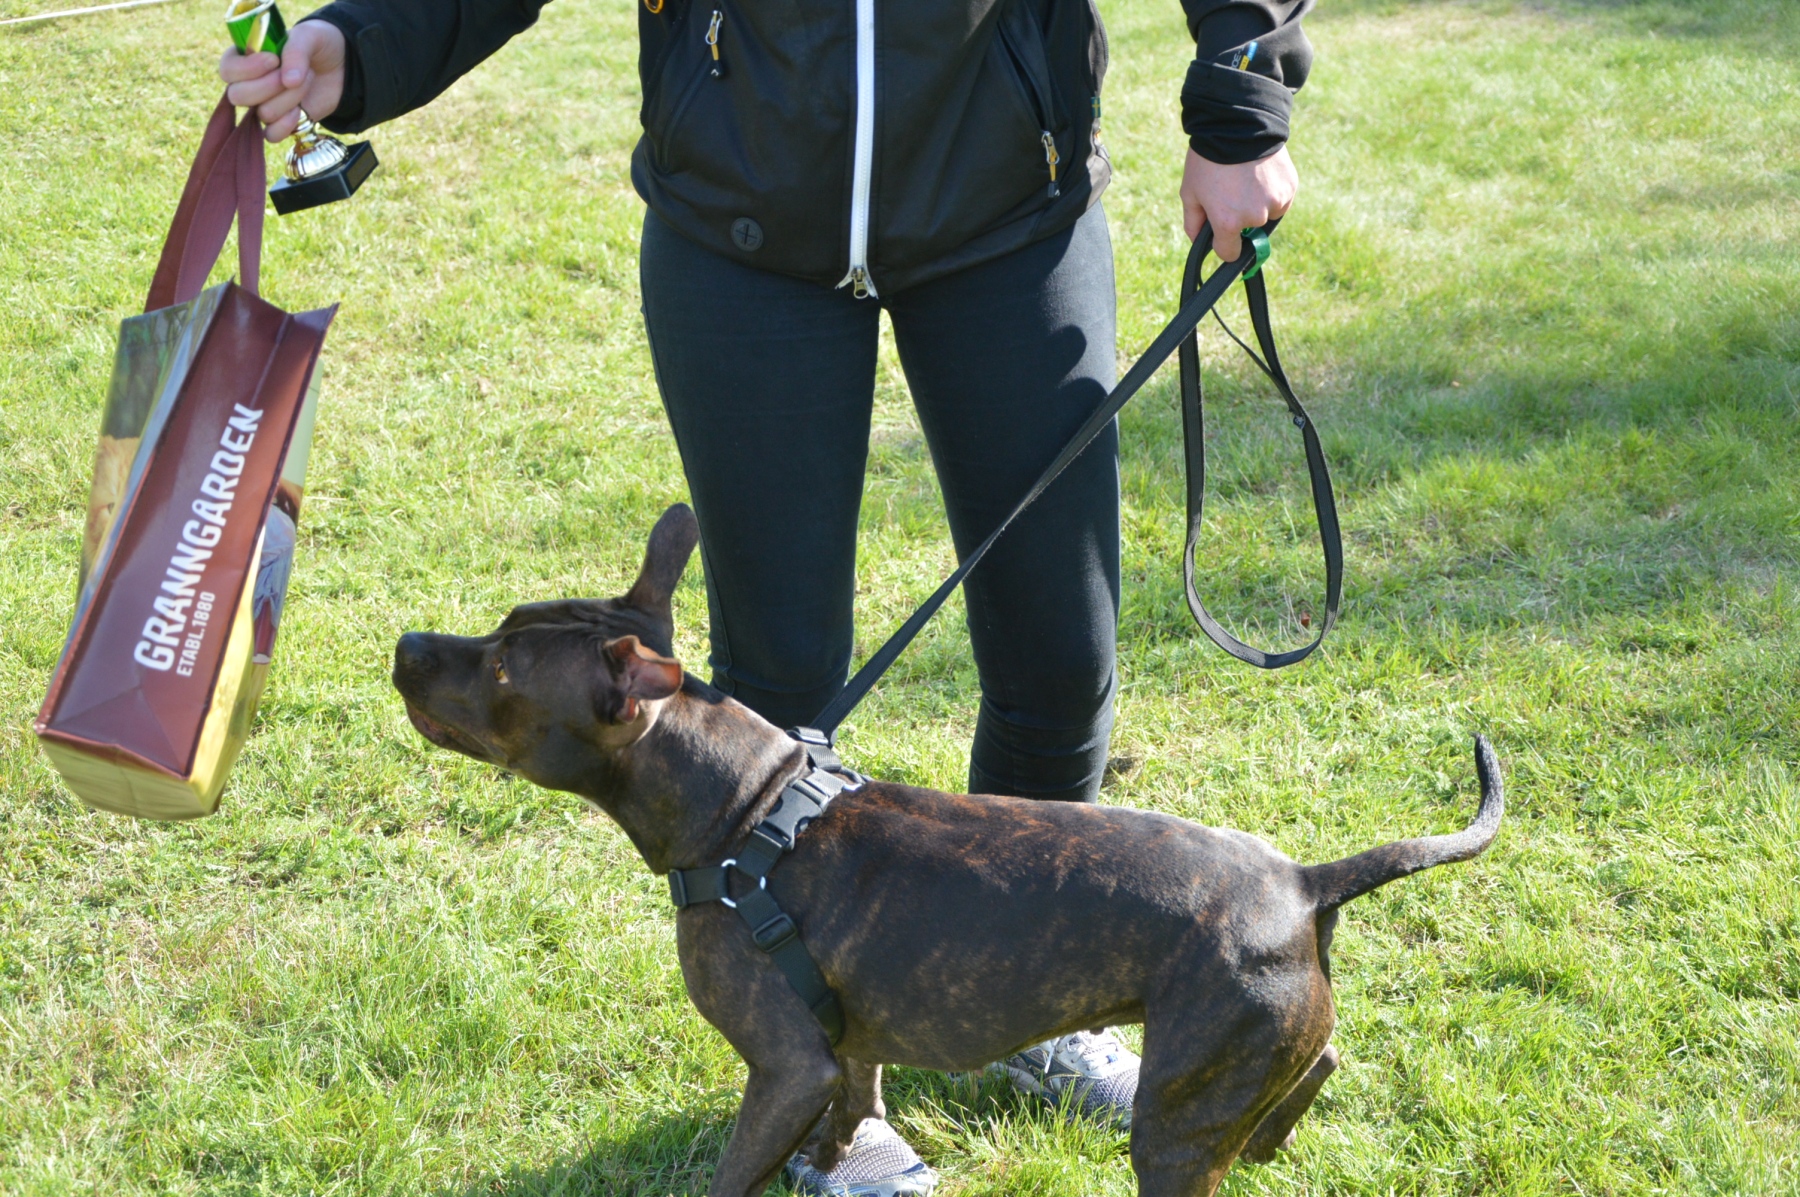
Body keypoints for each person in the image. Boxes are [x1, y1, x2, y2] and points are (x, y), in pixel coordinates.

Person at [222, 1, 1310, 1191]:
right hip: (742, 232)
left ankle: (1045, 1004)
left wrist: (1242, 99)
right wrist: (364, 43)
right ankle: (834, 1104)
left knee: (1059, 655)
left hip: (1007, 201)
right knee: (777, 684)